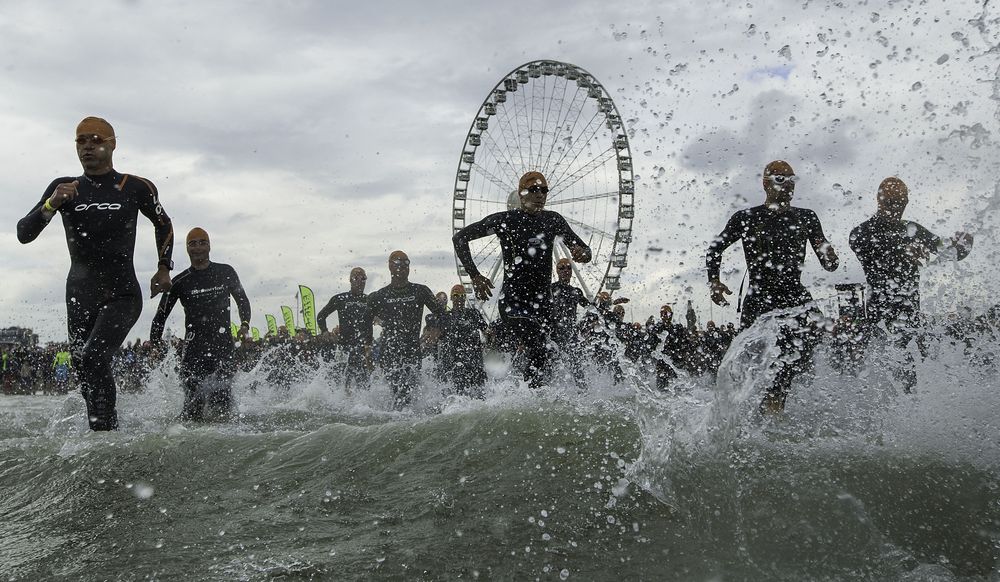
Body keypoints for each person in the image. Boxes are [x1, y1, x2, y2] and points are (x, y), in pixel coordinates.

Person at [17, 117, 174, 430]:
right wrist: (51, 204)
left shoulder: (135, 187)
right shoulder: (64, 187)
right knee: (83, 367)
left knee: (93, 356)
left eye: (95, 139)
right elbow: (24, 233)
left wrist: (163, 267)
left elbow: (163, 223)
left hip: (122, 293)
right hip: (79, 293)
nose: (87, 146)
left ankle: (106, 437)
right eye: (81, 141)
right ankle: (105, 429)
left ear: (112, 144)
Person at [707, 160, 839, 413]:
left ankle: (777, 400)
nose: (787, 184)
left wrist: (830, 256)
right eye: (780, 178)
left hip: (794, 294)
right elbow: (715, 248)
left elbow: (828, 264)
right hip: (760, 296)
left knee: (810, 341)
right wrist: (714, 281)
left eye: (791, 179)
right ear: (765, 182)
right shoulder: (747, 217)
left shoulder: (806, 217)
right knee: (754, 360)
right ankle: (752, 407)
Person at [453, 171, 592, 387]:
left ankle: (580, 393)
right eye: (534, 189)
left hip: (544, 304)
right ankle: (531, 396)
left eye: (544, 190)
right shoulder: (506, 220)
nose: (540, 195)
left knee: (566, 346)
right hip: (513, 304)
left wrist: (583, 253)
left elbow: (585, 249)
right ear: (521, 193)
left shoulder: (553, 220)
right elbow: (460, 238)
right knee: (538, 342)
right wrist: (475, 276)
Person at [849, 176, 973, 391]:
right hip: (881, 320)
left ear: (906, 203)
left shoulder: (913, 229)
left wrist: (963, 243)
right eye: (890, 203)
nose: (895, 208)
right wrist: (902, 251)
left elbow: (949, 253)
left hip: (913, 319)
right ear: (878, 200)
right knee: (888, 381)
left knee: (914, 382)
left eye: (900, 203)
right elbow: (868, 251)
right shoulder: (861, 232)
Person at [150, 228, 251, 421]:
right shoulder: (179, 282)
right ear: (187, 248)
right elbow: (160, 317)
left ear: (210, 246)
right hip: (193, 351)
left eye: (202, 242)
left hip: (222, 348)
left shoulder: (226, 272)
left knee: (222, 407)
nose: (198, 247)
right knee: (193, 409)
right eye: (192, 243)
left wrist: (244, 325)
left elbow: (242, 301)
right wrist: (154, 344)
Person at [367, 250, 446, 408]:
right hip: (388, 352)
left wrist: (436, 329)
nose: (402, 266)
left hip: (412, 352)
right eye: (398, 263)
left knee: (410, 397)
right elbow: (364, 323)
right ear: (390, 266)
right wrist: (367, 347)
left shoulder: (420, 291)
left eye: (406, 263)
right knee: (393, 396)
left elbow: (442, 314)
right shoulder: (379, 296)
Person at [317, 267, 375, 390]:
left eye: (363, 278)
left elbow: (381, 319)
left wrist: (380, 321)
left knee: (365, 384)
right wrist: (324, 331)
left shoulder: (369, 300)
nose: (360, 281)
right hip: (345, 347)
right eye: (356, 278)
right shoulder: (340, 299)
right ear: (350, 280)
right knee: (344, 382)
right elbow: (321, 316)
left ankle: (362, 407)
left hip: (364, 349)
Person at [439, 285, 488, 397]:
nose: (459, 298)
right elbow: (437, 336)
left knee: (479, 397)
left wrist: (488, 344)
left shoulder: (474, 313)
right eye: (456, 295)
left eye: (462, 296)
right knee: (456, 397)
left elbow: (487, 332)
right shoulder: (446, 317)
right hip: (453, 364)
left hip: (475, 363)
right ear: (451, 298)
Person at [548, 258, 591, 387]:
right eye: (562, 268)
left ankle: (582, 393)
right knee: (551, 367)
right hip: (553, 335)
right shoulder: (551, 289)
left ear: (572, 271)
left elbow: (591, 309)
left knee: (577, 367)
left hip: (571, 335)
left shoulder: (576, 291)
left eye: (568, 268)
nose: (565, 271)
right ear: (557, 270)